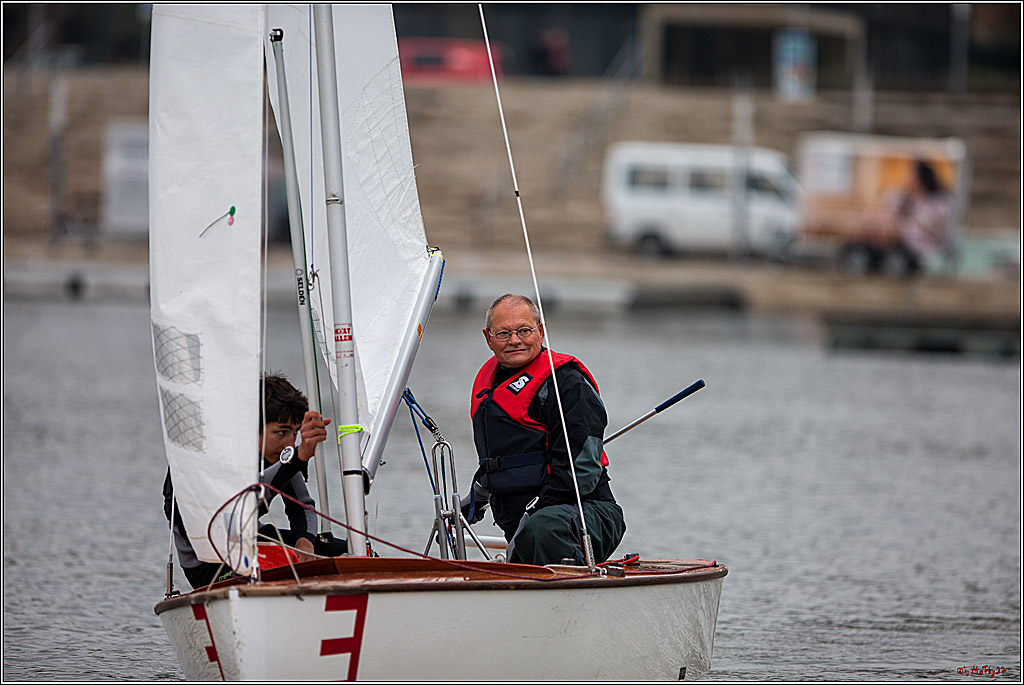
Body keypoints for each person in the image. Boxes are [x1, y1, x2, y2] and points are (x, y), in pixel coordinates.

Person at [463, 293, 625, 566]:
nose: (515, 340)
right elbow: (502, 460)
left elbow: (581, 470)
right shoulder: (488, 385)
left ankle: (567, 591)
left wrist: (535, 511)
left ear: (541, 331)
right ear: (488, 337)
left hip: (584, 512)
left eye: (524, 330)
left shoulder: (567, 383)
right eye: (503, 333)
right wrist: (476, 497)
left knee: (543, 529)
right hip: (522, 523)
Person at [163, 372, 346, 589]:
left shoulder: (283, 457)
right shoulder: (210, 456)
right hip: (209, 561)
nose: (290, 442)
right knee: (278, 569)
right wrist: (297, 458)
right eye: (281, 432)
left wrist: (305, 546)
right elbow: (239, 506)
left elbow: (301, 506)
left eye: (295, 432)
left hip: (254, 540)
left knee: (355, 553)